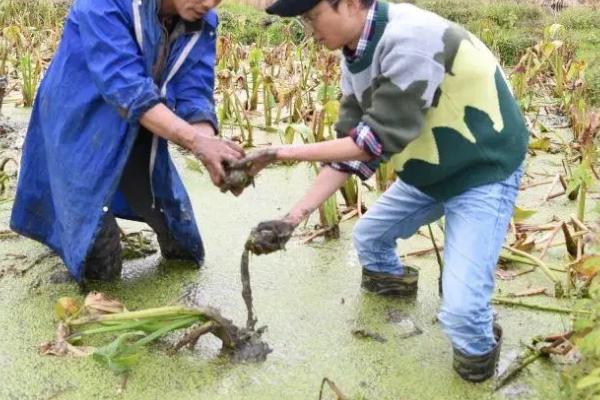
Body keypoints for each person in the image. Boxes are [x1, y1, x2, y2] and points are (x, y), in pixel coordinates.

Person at [233, 0, 528, 382]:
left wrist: (277, 152)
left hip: (482, 171)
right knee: (370, 239)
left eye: (311, 17)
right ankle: (394, 315)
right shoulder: (353, 54)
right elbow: (348, 153)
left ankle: (478, 364)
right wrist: (292, 219)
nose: (308, 30)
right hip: (431, 173)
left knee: (461, 312)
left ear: (351, 4)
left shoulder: (411, 39)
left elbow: (371, 143)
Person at [10, 0, 244, 283]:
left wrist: (210, 146)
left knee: (183, 242)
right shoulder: (102, 4)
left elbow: (193, 90)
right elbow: (125, 87)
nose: (209, 2)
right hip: (80, 121)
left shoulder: (203, 22)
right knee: (97, 256)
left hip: (144, 121)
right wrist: (196, 142)